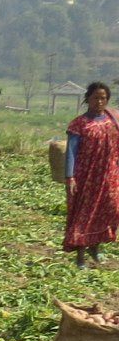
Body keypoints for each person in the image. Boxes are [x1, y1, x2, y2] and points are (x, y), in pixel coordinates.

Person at [64, 81, 119, 268]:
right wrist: (69, 177)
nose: (100, 102)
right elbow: (71, 151)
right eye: (96, 98)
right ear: (88, 99)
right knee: (84, 215)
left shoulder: (112, 120)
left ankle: (95, 248)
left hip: (109, 175)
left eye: (103, 98)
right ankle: (80, 257)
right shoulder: (79, 124)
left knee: (109, 210)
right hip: (86, 177)